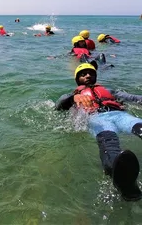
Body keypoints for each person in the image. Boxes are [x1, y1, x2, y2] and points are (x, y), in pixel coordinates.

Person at [55, 63, 142, 201]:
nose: (88, 75)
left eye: (91, 73)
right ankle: (121, 177)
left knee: (139, 126)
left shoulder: (109, 91)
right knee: (109, 142)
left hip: (119, 115)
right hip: (96, 118)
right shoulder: (73, 95)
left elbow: (133, 98)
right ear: (77, 79)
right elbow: (59, 105)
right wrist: (73, 99)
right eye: (83, 74)